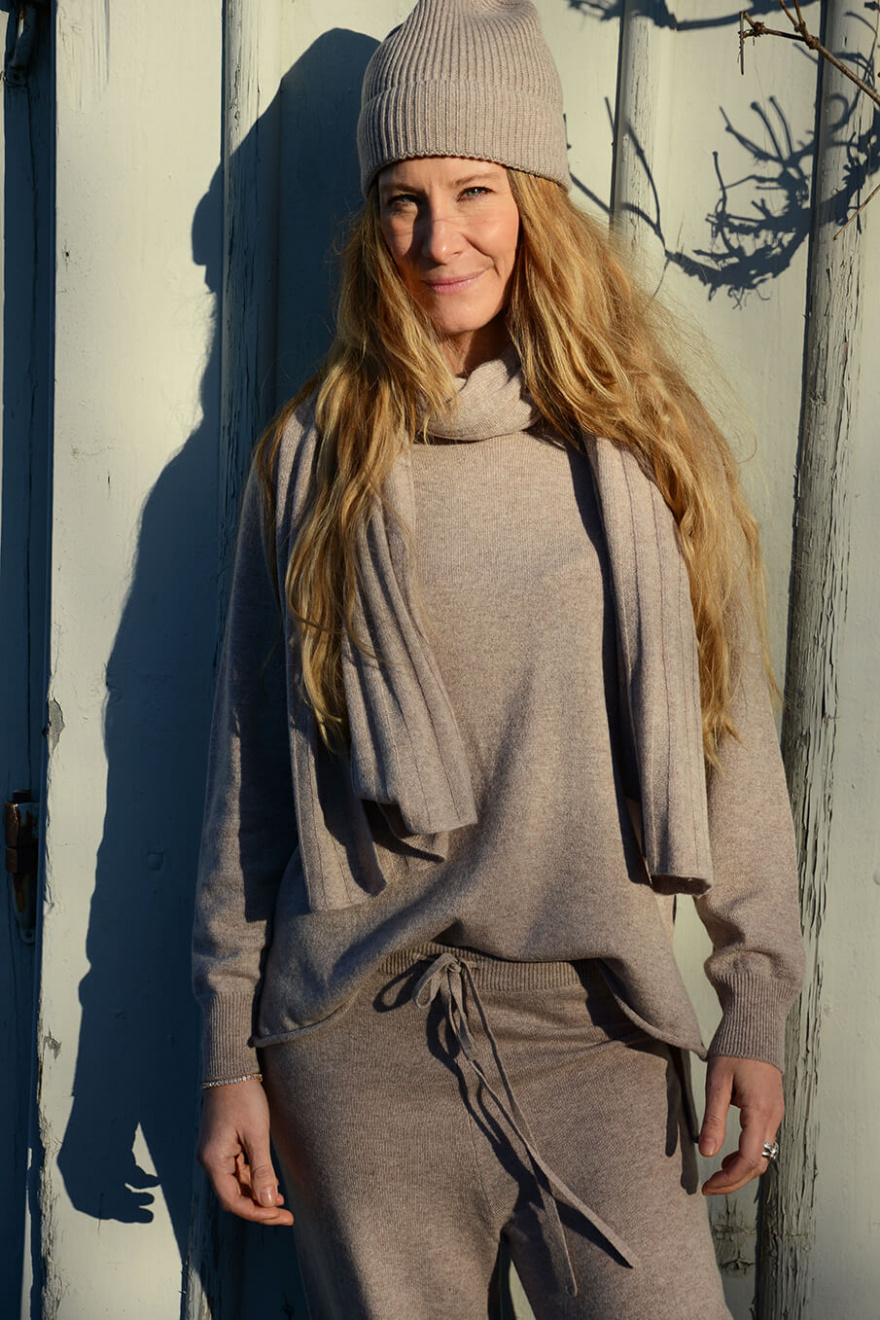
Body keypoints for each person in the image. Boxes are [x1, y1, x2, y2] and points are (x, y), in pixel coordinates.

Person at [192, 2, 805, 1316]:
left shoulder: (637, 452)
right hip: (359, 1049)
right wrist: (226, 1051)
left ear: (535, 199)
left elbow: (730, 732)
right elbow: (251, 776)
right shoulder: (311, 462)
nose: (437, 238)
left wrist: (754, 994)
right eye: (403, 199)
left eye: (474, 189)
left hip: (598, 1028)